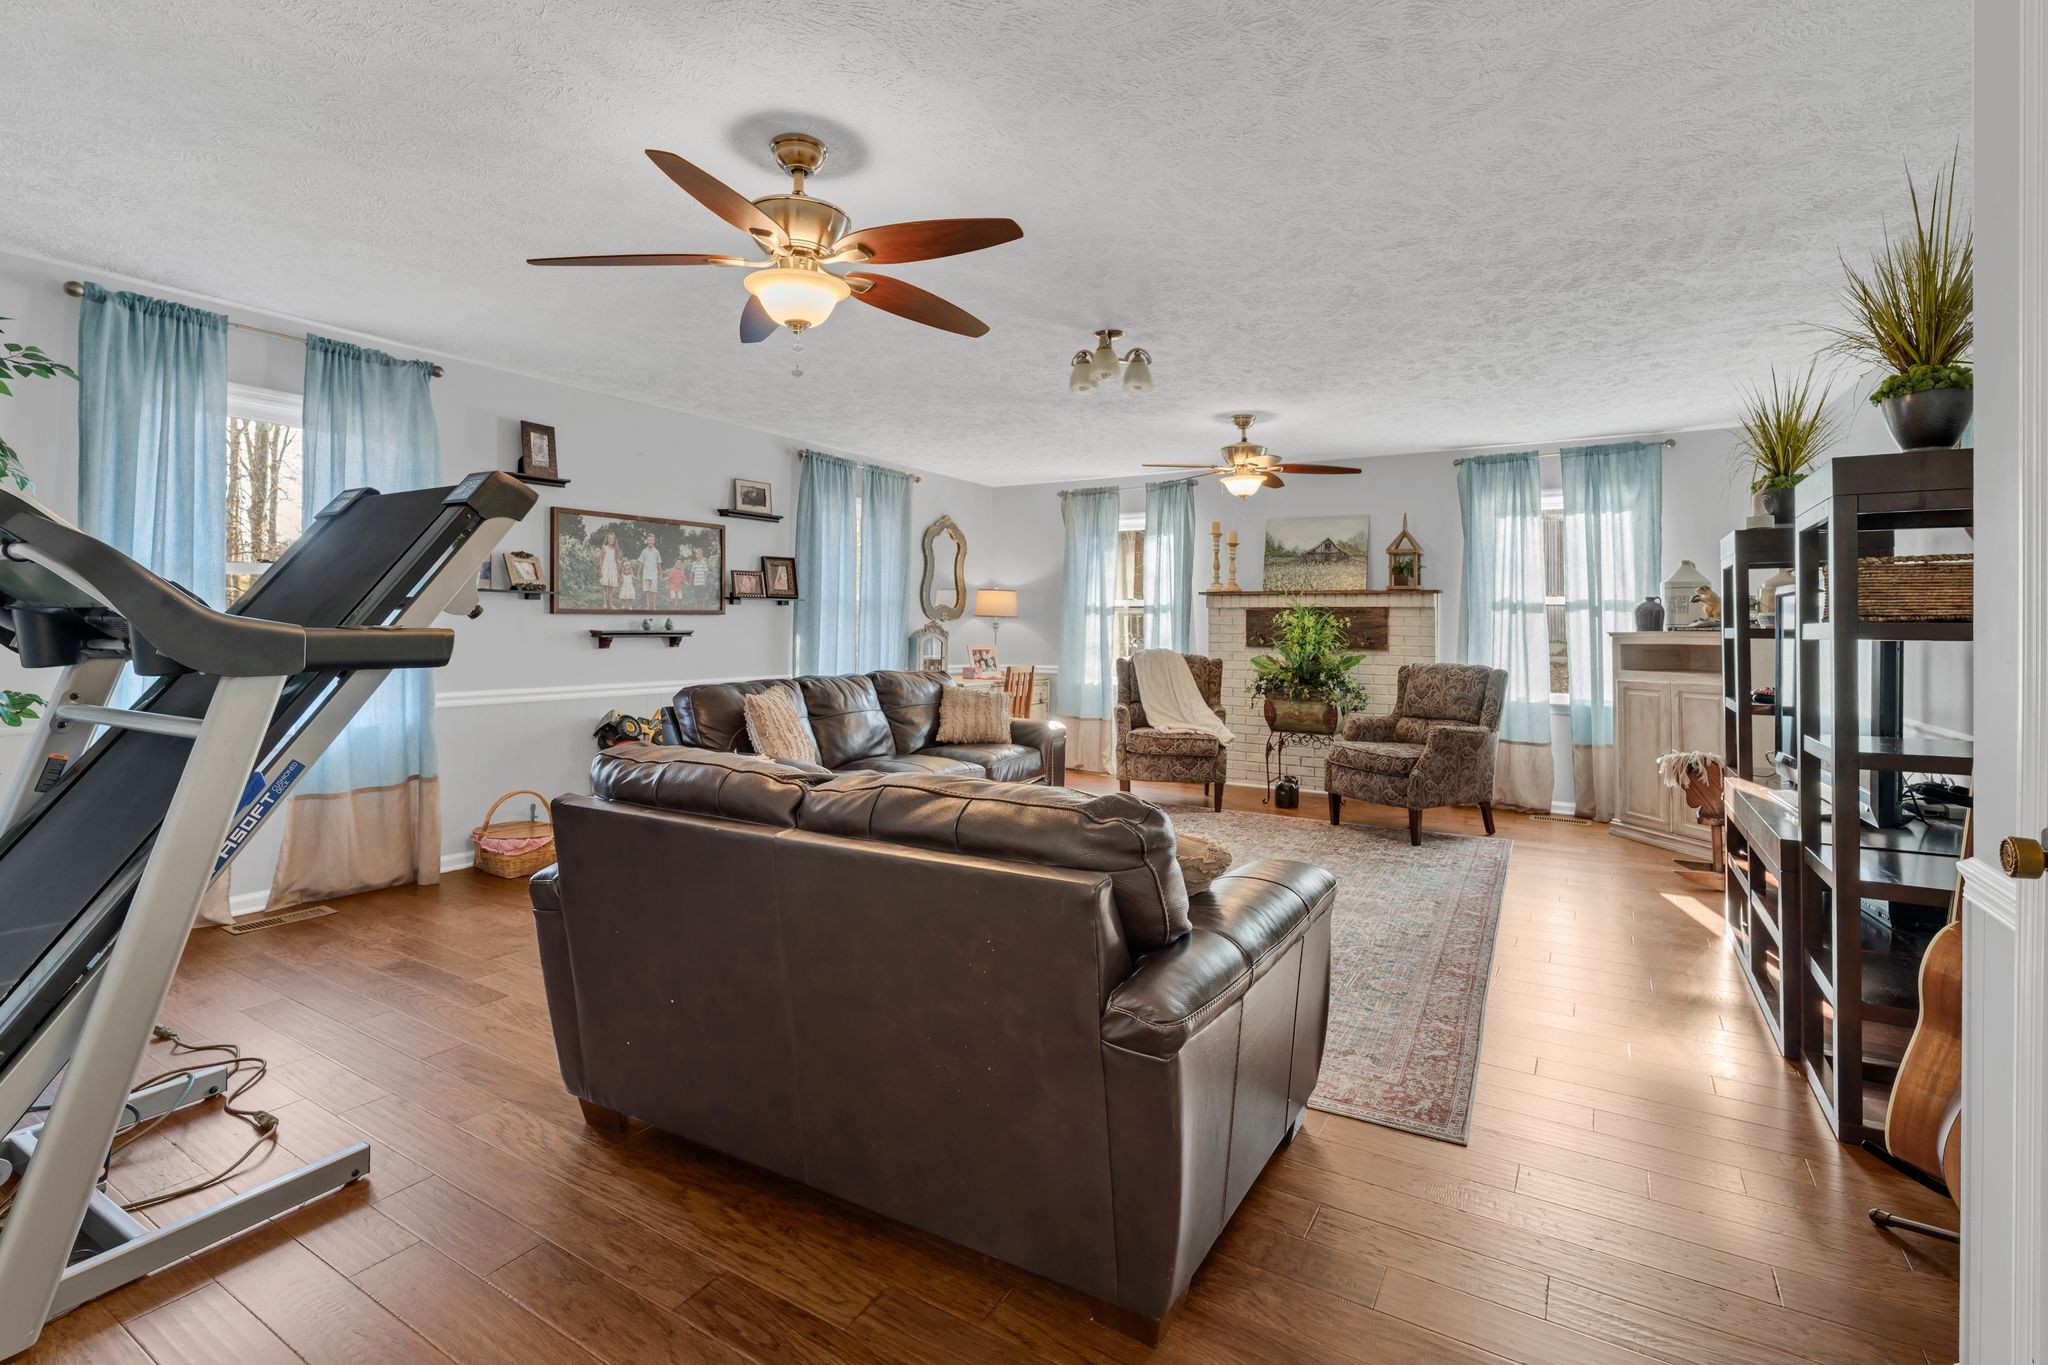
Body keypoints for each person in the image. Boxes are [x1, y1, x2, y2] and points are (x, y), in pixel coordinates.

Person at [598, 530, 621, 610]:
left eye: (612, 539)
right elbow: (601, 559)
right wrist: (601, 569)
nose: (611, 540)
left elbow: (616, 561)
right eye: (610, 539)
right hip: (605, 568)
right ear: (607, 539)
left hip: (612, 569)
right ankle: (604, 603)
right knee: (604, 586)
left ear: (614, 540)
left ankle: (610, 604)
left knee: (610, 587)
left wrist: (618, 573)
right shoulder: (604, 547)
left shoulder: (615, 549)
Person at [639, 531, 663, 606]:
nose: (650, 541)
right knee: (647, 590)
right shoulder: (644, 551)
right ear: (647, 541)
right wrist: (638, 574)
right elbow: (641, 563)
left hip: (653, 574)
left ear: (654, 541)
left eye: (652, 540)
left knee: (654, 590)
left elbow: (659, 564)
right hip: (646, 573)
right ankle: (648, 605)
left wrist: (660, 574)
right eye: (649, 540)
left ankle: (654, 605)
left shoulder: (656, 552)